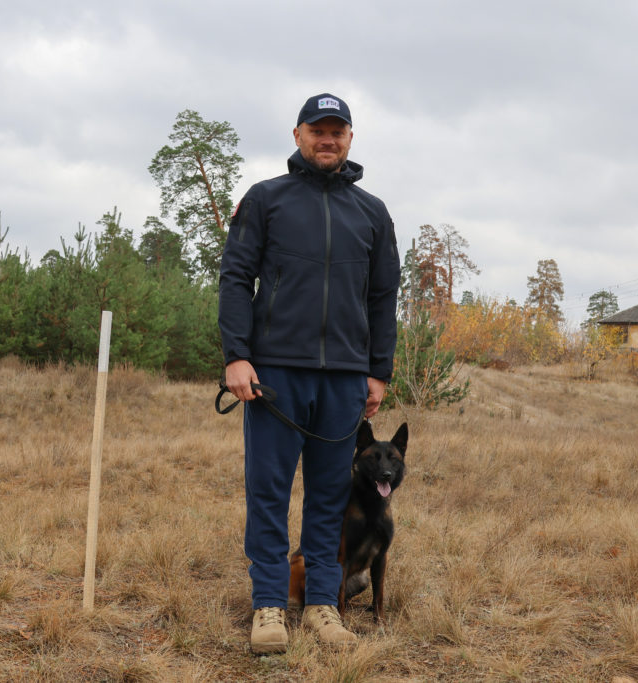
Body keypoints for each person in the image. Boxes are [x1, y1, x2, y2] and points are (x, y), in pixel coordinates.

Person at [218, 93, 400, 654]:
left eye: (337, 131)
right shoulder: (266, 199)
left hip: (344, 379)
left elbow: (382, 297)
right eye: (317, 130)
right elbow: (235, 278)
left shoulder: (372, 212)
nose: (328, 139)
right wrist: (236, 356)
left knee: (329, 496)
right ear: (298, 135)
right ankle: (268, 605)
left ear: (350, 138)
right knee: (268, 492)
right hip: (273, 376)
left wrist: (378, 373)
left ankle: (323, 604)